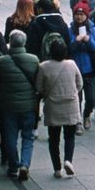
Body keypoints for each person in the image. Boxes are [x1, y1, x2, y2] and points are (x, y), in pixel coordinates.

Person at [0, 29, 40, 181]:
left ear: (10, 43)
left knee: (10, 137)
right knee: (28, 136)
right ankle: (25, 164)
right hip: (28, 106)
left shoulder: (2, 61)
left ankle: (13, 165)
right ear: (24, 43)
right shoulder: (33, 60)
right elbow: (38, 82)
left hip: (8, 106)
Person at [35, 37, 83, 179]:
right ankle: (68, 160)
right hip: (71, 105)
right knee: (70, 136)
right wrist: (73, 92)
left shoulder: (43, 66)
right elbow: (80, 84)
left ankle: (57, 168)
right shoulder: (72, 64)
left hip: (53, 106)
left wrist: (46, 94)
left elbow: (39, 87)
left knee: (54, 139)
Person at [69, 0, 95, 131]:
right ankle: (77, 121)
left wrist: (88, 41)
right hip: (75, 69)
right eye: (77, 14)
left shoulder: (93, 30)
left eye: (82, 14)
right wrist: (76, 42)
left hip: (91, 70)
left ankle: (87, 115)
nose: (79, 17)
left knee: (91, 99)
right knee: (76, 99)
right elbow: (67, 49)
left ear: (86, 15)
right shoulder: (70, 30)